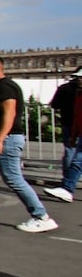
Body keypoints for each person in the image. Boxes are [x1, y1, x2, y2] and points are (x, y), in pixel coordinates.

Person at [0, 56, 57, 232]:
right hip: (0, 138)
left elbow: (9, 113)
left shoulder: (4, 86)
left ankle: (41, 216)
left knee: (13, 178)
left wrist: (0, 139)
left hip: (7, 138)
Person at [44, 67, 82, 204]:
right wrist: (75, 134)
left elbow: (55, 104)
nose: (79, 79)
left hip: (69, 124)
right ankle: (67, 187)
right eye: (78, 77)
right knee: (77, 159)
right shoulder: (78, 94)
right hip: (75, 128)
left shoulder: (67, 89)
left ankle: (67, 186)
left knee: (74, 157)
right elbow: (78, 116)